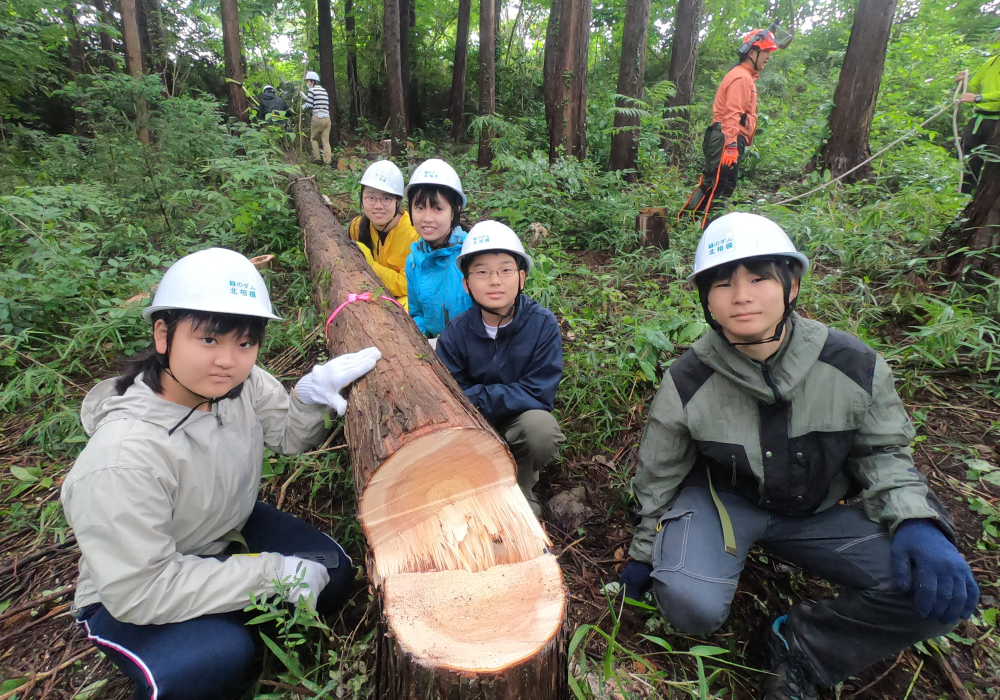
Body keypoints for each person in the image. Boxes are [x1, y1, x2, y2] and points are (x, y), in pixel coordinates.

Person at [616, 213, 978, 700]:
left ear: (792, 285)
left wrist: (917, 524)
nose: (741, 295)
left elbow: (884, 453)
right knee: (689, 608)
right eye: (722, 284)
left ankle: (802, 643)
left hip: (818, 513)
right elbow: (658, 474)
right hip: (726, 504)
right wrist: (643, 554)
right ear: (707, 300)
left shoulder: (852, 364)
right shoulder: (689, 378)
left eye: (759, 277)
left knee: (937, 597)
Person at [62, 248, 381, 700]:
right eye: (209, 340)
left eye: (245, 342)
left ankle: (233, 626)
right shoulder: (122, 457)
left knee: (334, 575)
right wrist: (271, 575)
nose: (228, 360)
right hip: (134, 589)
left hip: (224, 528)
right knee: (216, 657)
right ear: (162, 335)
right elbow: (139, 589)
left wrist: (309, 398)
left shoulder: (240, 386)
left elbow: (289, 437)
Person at [436, 221, 565, 515]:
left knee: (541, 429)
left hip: (519, 424)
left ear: (521, 278)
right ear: (466, 283)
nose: (494, 281)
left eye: (505, 270)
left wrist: (480, 396)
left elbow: (539, 392)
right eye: (482, 272)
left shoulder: (542, 324)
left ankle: (521, 486)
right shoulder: (455, 333)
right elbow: (452, 398)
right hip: (472, 429)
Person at [678, 29, 781, 228]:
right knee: (722, 187)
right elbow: (732, 114)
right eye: (765, 51)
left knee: (711, 184)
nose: (768, 56)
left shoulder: (744, 76)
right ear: (751, 53)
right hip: (727, 138)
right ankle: (709, 234)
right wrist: (732, 146)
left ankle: (684, 224)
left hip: (723, 137)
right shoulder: (742, 78)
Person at [404, 159, 473, 340]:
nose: (427, 218)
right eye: (419, 207)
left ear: (454, 211)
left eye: (437, 208)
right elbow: (417, 314)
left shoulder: (471, 255)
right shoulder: (413, 261)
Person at [348, 160, 420, 310]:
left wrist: (371, 265)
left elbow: (408, 285)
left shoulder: (414, 235)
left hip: (401, 301)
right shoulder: (357, 227)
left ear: (398, 201)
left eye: (387, 198)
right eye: (371, 197)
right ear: (362, 198)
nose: (378, 206)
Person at [956, 50, 1000, 194]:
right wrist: (963, 83)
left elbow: (977, 96)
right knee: (969, 162)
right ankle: (964, 200)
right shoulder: (991, 62)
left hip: (996, 122)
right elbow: (974, 87)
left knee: (993, 167)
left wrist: (978, 98)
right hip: (979, 120)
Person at [301, 71, 332, 166]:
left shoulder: (312, 91)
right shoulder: (323, 90)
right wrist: (305, 96)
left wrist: (302, 106)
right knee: (325, 140)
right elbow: (316, 101)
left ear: (312, 82)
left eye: (308, 81)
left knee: (313, 138)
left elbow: (310, 104)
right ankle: (327, 161)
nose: (307, 83)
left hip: (318, 117)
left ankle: (317, 158)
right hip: (327, 118)